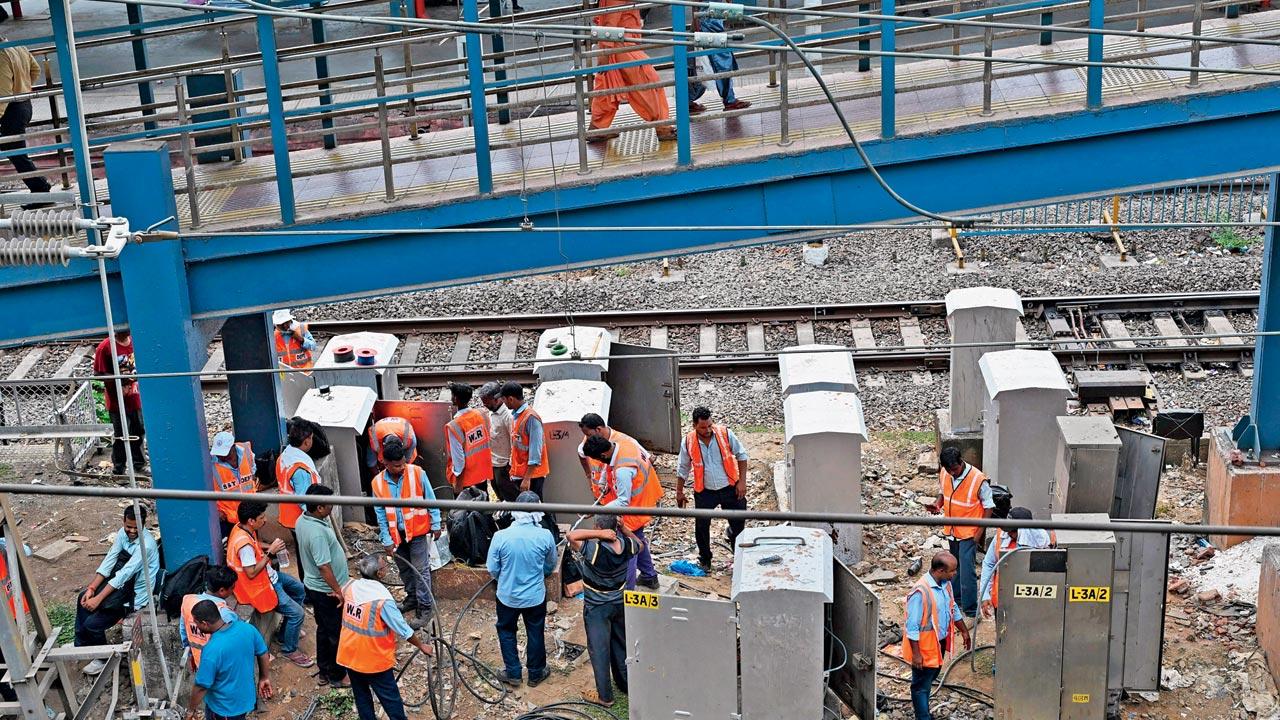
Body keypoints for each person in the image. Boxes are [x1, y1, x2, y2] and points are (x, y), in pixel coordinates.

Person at [337, 555, 435, 720]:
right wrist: (422, 646)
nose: (387, 568)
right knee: (390, 699)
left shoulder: (350, 586)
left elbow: (342, 591)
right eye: (385, 567)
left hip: (350, 655)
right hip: (373, 661)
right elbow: (403, 629)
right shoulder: (382, 600)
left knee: (362, 697)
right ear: (379, 574)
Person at [227, 501, 313, 668]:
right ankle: (289, 649)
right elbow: (251, 573)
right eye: (261, 517)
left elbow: (256, 547)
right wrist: (270, 552)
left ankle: (285, 635)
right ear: (251, 520)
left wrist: (272, 548)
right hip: (261, 586)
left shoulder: (242, 528)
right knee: (297, 613)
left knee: (300, 591)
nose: (265, 520)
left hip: (269, 576)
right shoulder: (243, 544)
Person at [77, 504, 161, 674]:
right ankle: (83, 647)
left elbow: (125, 574)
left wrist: (98, 599)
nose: (131, 531)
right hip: (121, 585)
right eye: (128, 526)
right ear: (123, 522)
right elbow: (110, 560)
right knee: (82, 598)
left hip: (135, 595)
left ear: (143, 524)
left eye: (135, 528)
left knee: (92, 623)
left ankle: (102, 658)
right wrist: (92, 589)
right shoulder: (122, 534)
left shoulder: (147, 545)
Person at [486, 491, 558, 687]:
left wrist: (505, 578)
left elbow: (492, 569)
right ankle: (535, 673)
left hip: (507, 596)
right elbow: (550, 565)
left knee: (506, 631)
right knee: (535, 631)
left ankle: (513, 673)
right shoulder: (545, 536)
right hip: (535, 596)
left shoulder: (500, 536)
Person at [568, 515, 639, 707]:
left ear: (599, 527)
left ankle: (605, 697)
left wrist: (598, 534)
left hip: (597, 607)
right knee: (619, 643)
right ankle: (625, 684)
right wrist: (623, 529)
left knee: (599, 649)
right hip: (619, 601)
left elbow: (571, 536)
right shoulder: (626, 545)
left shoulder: (595, 549)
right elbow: (640, 543)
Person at [371, 436, 441, 625]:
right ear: (385, 463)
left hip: (417, 532)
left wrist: (436, 523)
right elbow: (381, 514)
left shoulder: (417, 473)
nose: (401, 468)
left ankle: (425, 607)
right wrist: (386, 538)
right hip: (397, 535)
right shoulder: (377, 483)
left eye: (403, 464)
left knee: (421, 570)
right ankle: (412, 598)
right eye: (396, 466)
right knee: (405, 569)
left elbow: (431, 499)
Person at [581, 435, 662, 590]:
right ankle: (649, 576)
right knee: (637, 539)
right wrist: (604, 483)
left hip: (633, 506)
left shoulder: (623, 471)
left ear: (603, 455)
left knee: (627, 551)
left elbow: (623, 501)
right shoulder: (621, 444)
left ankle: (626, 591)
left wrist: (598, 511)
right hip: (644, 498)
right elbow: (608, 468)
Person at [588, 0, 676, 142]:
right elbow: (610, 21)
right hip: (621, 44)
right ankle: (662, 127)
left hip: (619, 44)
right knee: (649, 81)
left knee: (608, 85)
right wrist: (604, 50)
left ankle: (597, 128)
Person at [675, 407, 750, 572]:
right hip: (705, 491)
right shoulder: (688, 441)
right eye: (703, 427)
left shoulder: (724, 434)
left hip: (730, 487)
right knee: (702, 526)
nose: (708, 430)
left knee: (738, 524)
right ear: (694, 425)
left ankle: (739, 559)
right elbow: (683, 468)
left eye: (710, 425)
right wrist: (679, 492)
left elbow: (742, 456)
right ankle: (705, 559)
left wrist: (742, 482)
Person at [926, 447, 994, 622]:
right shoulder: (945, 473)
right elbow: (944, 493)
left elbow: (989, 505)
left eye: (954, 470)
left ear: (961, 462)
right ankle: (955, 601)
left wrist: (980, 532)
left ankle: (971, 610)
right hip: (952, 530)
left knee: (966, 572)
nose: (952, 473)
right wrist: (937, 504)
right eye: (949, 470)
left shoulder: (977, 479)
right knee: (952, 569)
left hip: (969, 532)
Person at [903, 551, 971, 720]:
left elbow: (952, 607)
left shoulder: (945, 584)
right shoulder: (921, 591)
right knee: (920, 686)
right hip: (924, 648)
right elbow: (912, 627)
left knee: (930, 677)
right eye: (952, 571)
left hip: (937, 644)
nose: (955, 573)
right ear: (940, 571)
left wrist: (963, 630)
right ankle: (923, 717)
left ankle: (924, 712)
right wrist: (917, 655)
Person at [296, 485, 351, 688]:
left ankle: (324, 669)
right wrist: (339, 591)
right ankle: (337, 675)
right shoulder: (317, 532)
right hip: (325, 590)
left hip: (315, 587)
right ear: (319, 507)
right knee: (336, 632)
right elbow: (324, 567)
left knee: (324, 629)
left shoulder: (303, 520)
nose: (332, 507)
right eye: (329, 505)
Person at [184, 600, 273, 720]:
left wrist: (191, 710)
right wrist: (264, 677)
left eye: (196, 624)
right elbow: (263, 653)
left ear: (205, 624)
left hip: (223, 709)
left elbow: (201, 686)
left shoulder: (212, 650)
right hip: (244, 700)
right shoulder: (247, 628)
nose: (196, 627)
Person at [979, 507, 1056, 619]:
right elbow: (989, 564)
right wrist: (985, 595)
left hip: (1029, 600)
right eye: (1008, 529)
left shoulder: (1041, 540)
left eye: (1013, 530)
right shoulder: (1000, 537)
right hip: (1003, 599)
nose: (1009, 533)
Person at [0, 44, 52, 197]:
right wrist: (25, 86)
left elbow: (4, 92)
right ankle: (39, 187)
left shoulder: (2, 55)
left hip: (12, 109)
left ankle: (40, 188)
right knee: (15, 150)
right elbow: (35, 69)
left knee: (15, 151)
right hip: (24, 104)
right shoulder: (18, 47)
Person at [276, 417, 321, 586]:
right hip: (300, 517)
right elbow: (304, 500)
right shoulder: (300, 466)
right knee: (308, 556)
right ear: (307, 440)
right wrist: (316, 519)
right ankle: (310, 588)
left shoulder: (286, 455)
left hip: (290, 515)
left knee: (303, 553)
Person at [93, 329, 144, 475]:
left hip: (134, 395)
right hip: (117, 399)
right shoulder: (105, 347)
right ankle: (119, 468)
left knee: (138, 430)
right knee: (121, 434)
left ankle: (139, 464)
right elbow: (98, 374)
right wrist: (118, 379)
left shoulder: (135, 341)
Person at [576, 414, 647, 506]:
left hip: (628, 503)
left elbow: (647, 459)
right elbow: (581, 453)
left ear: (598, 430)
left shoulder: (624, 442)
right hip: (604, 496)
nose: (587, 438)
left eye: (588, 434)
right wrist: (590, 477)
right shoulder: (590, 442)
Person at [685, 14, 751, 114]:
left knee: (698, 64)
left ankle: (687, 100)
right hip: (709, 23)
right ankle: (729, 100)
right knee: (720, 62)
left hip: (708, 20)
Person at [179, 566, 239, 670]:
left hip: (200, 663)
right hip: (222, 669)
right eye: (232, 588)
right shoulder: (226, 614)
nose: (233, 591)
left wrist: (190, 655)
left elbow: (184, 632)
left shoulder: (188, 601)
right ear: (222, 590)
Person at [502, 382, 549, 498]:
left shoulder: (531, 418)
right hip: (522, 474)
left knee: (536, 510)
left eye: (504, 400)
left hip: (532, 476)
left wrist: (527, 479)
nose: (503, 403)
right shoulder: (517, 416)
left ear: (511, 399)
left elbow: (535, 453)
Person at [446, 382, 493, 494]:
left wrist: (458, 483)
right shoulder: (480, 414)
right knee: (484, 507)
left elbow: (458, 460)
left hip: (467, 480)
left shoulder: (454, 426)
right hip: (482, 473)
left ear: (455, 399)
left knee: (465, 511)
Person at [211, 431, 257, 540]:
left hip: (250, 513)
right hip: (228, 517)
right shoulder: (211, 465)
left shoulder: (247, 453)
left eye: (224, 453)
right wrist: (216, 511)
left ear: (233, 447)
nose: (220, 456)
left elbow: (253, 474)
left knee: (252, 543)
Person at [479, 382, 516, 501]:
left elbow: (514, 441)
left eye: (487, 402)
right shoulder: (491, 412)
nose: (485, 405)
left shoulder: (508, 416)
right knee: (499, 493)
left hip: (504, 465)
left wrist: (510, 464)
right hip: (493, 463)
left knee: (509, 496)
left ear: (496, 399)